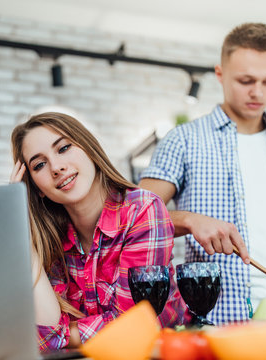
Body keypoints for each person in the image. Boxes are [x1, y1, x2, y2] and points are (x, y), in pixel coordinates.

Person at [139, 23, 266, 324]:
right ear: (220, 74)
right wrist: (189, 219)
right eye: (246, 80)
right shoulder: (184, 140)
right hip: (224, 323)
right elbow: (133, 219)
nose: (258, 92)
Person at [10, 112, 189, 350]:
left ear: (88, 148)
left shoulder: (142, 209)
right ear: (36, 188)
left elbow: (133, 326)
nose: (56, 167)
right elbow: (44, 336)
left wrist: (63, 337)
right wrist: (23, 232)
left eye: (63, 148)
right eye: (39, 164)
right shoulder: (51, 240)